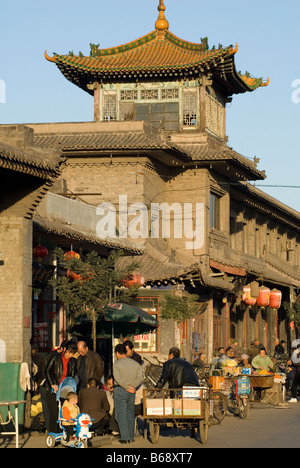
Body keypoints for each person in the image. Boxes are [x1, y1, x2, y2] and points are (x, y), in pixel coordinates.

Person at [42, 342, 77, 433]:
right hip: (52, 389)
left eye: (72, 353)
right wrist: (52, 384)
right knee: (54, 413)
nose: (70, 355)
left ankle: (63, 432)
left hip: (64, 389)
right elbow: (47, 371)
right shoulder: (55, 357)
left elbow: (72, 375)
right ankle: (53, 433)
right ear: (64, 349)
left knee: (63, 412)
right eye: (69, 352)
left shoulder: (73, 361)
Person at [113, 343, 143, 444]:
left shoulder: (116, 364)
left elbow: (117, 378)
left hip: (120, 390)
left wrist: (126, 387)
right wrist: (132, 386)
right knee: (130, 414)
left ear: (117, 353)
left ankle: (125, 437)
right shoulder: (136, 364)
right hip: (132, 391)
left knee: (121, 414)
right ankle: (131, 436)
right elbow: (140, 378)